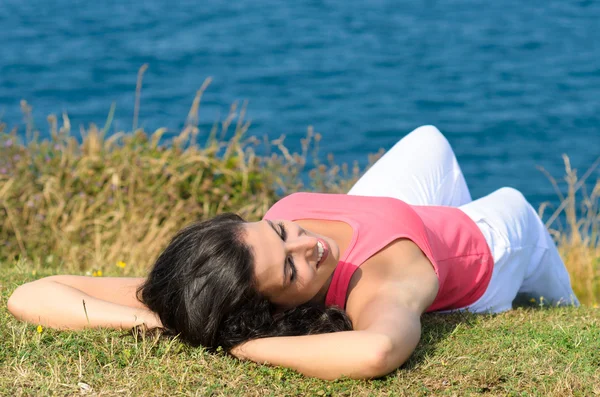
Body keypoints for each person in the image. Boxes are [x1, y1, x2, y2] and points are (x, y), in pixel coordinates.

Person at [7, 125, 580, 380]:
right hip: (495, 238)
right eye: (290, 267)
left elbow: (30, 292)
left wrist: (164, 318)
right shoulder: (384, 283)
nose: (308, 242)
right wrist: (238, 342)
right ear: (271, 310)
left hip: (392, 211)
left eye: (275, 230)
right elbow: (378, 351)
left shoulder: (238, 268)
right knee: (553, 286)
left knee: (429, 138)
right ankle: (572, 304)